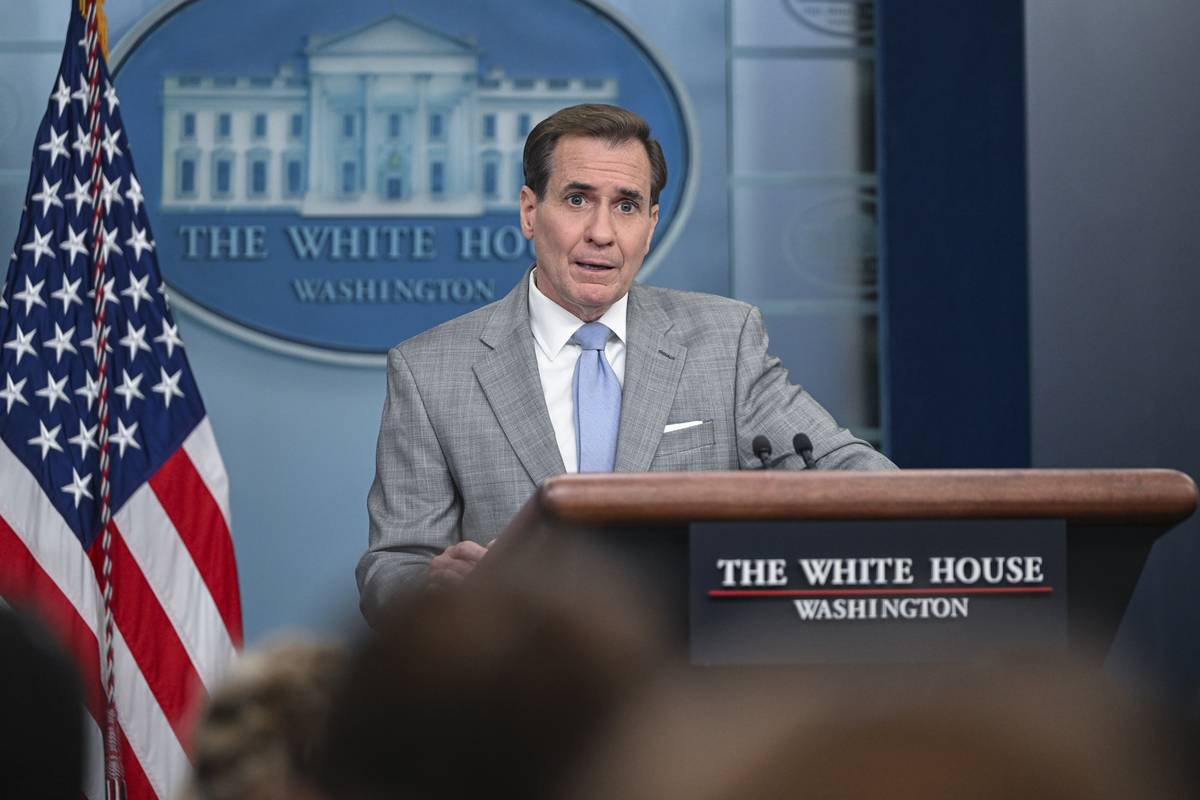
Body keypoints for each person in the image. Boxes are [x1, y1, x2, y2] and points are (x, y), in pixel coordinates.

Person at [359, 103, 895, 620]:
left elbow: (859, 477)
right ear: (529, 211)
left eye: (626, 205)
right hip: (518, 692)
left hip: (692, 686)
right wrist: (432, 589)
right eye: (576, 200)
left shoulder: (723, 342)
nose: (601, 232)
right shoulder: (430, 371)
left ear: (651, 222)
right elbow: (393, 564)